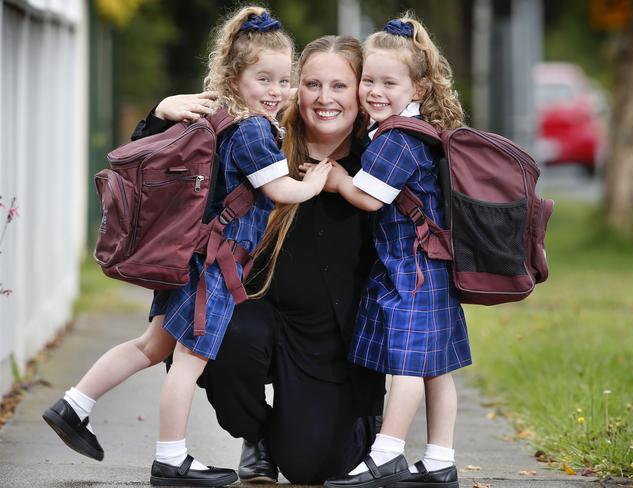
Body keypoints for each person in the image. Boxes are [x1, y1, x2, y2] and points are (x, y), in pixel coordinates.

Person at [42, 7, 332, 487]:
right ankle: (170, 458)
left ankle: (73, 404)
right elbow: (282, 192)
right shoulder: (255, 130)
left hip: (192, 256)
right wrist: (317, 180)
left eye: (285, 80)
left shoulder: (220, 120)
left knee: (152, 345)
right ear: (236, 78)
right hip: (215, 267)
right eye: (264, 79)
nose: (277, 91)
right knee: (187, 360)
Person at [137, 35, 386, 484]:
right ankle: (255, 433)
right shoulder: (260, 141)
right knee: (226, 334)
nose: (324, 98)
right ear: (297, 88)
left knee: (313, 469)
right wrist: (159, 115)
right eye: (312, 84)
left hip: (334, 343)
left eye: (339, 86)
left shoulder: (380, 161)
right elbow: (167, 172)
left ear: (360, 91)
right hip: (258, 316)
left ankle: (347, 420)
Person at [321, 14, 471, 488]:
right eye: (369, 80)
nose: (374, 91)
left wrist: (332, 175)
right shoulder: (408, 129)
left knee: (409, 362)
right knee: (435, 367)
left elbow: (368, 197)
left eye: (390, 82)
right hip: (428, 267)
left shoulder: (399, 138)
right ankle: (441, 458)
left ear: (419, 89)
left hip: (414, 270)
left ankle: (387, 453)